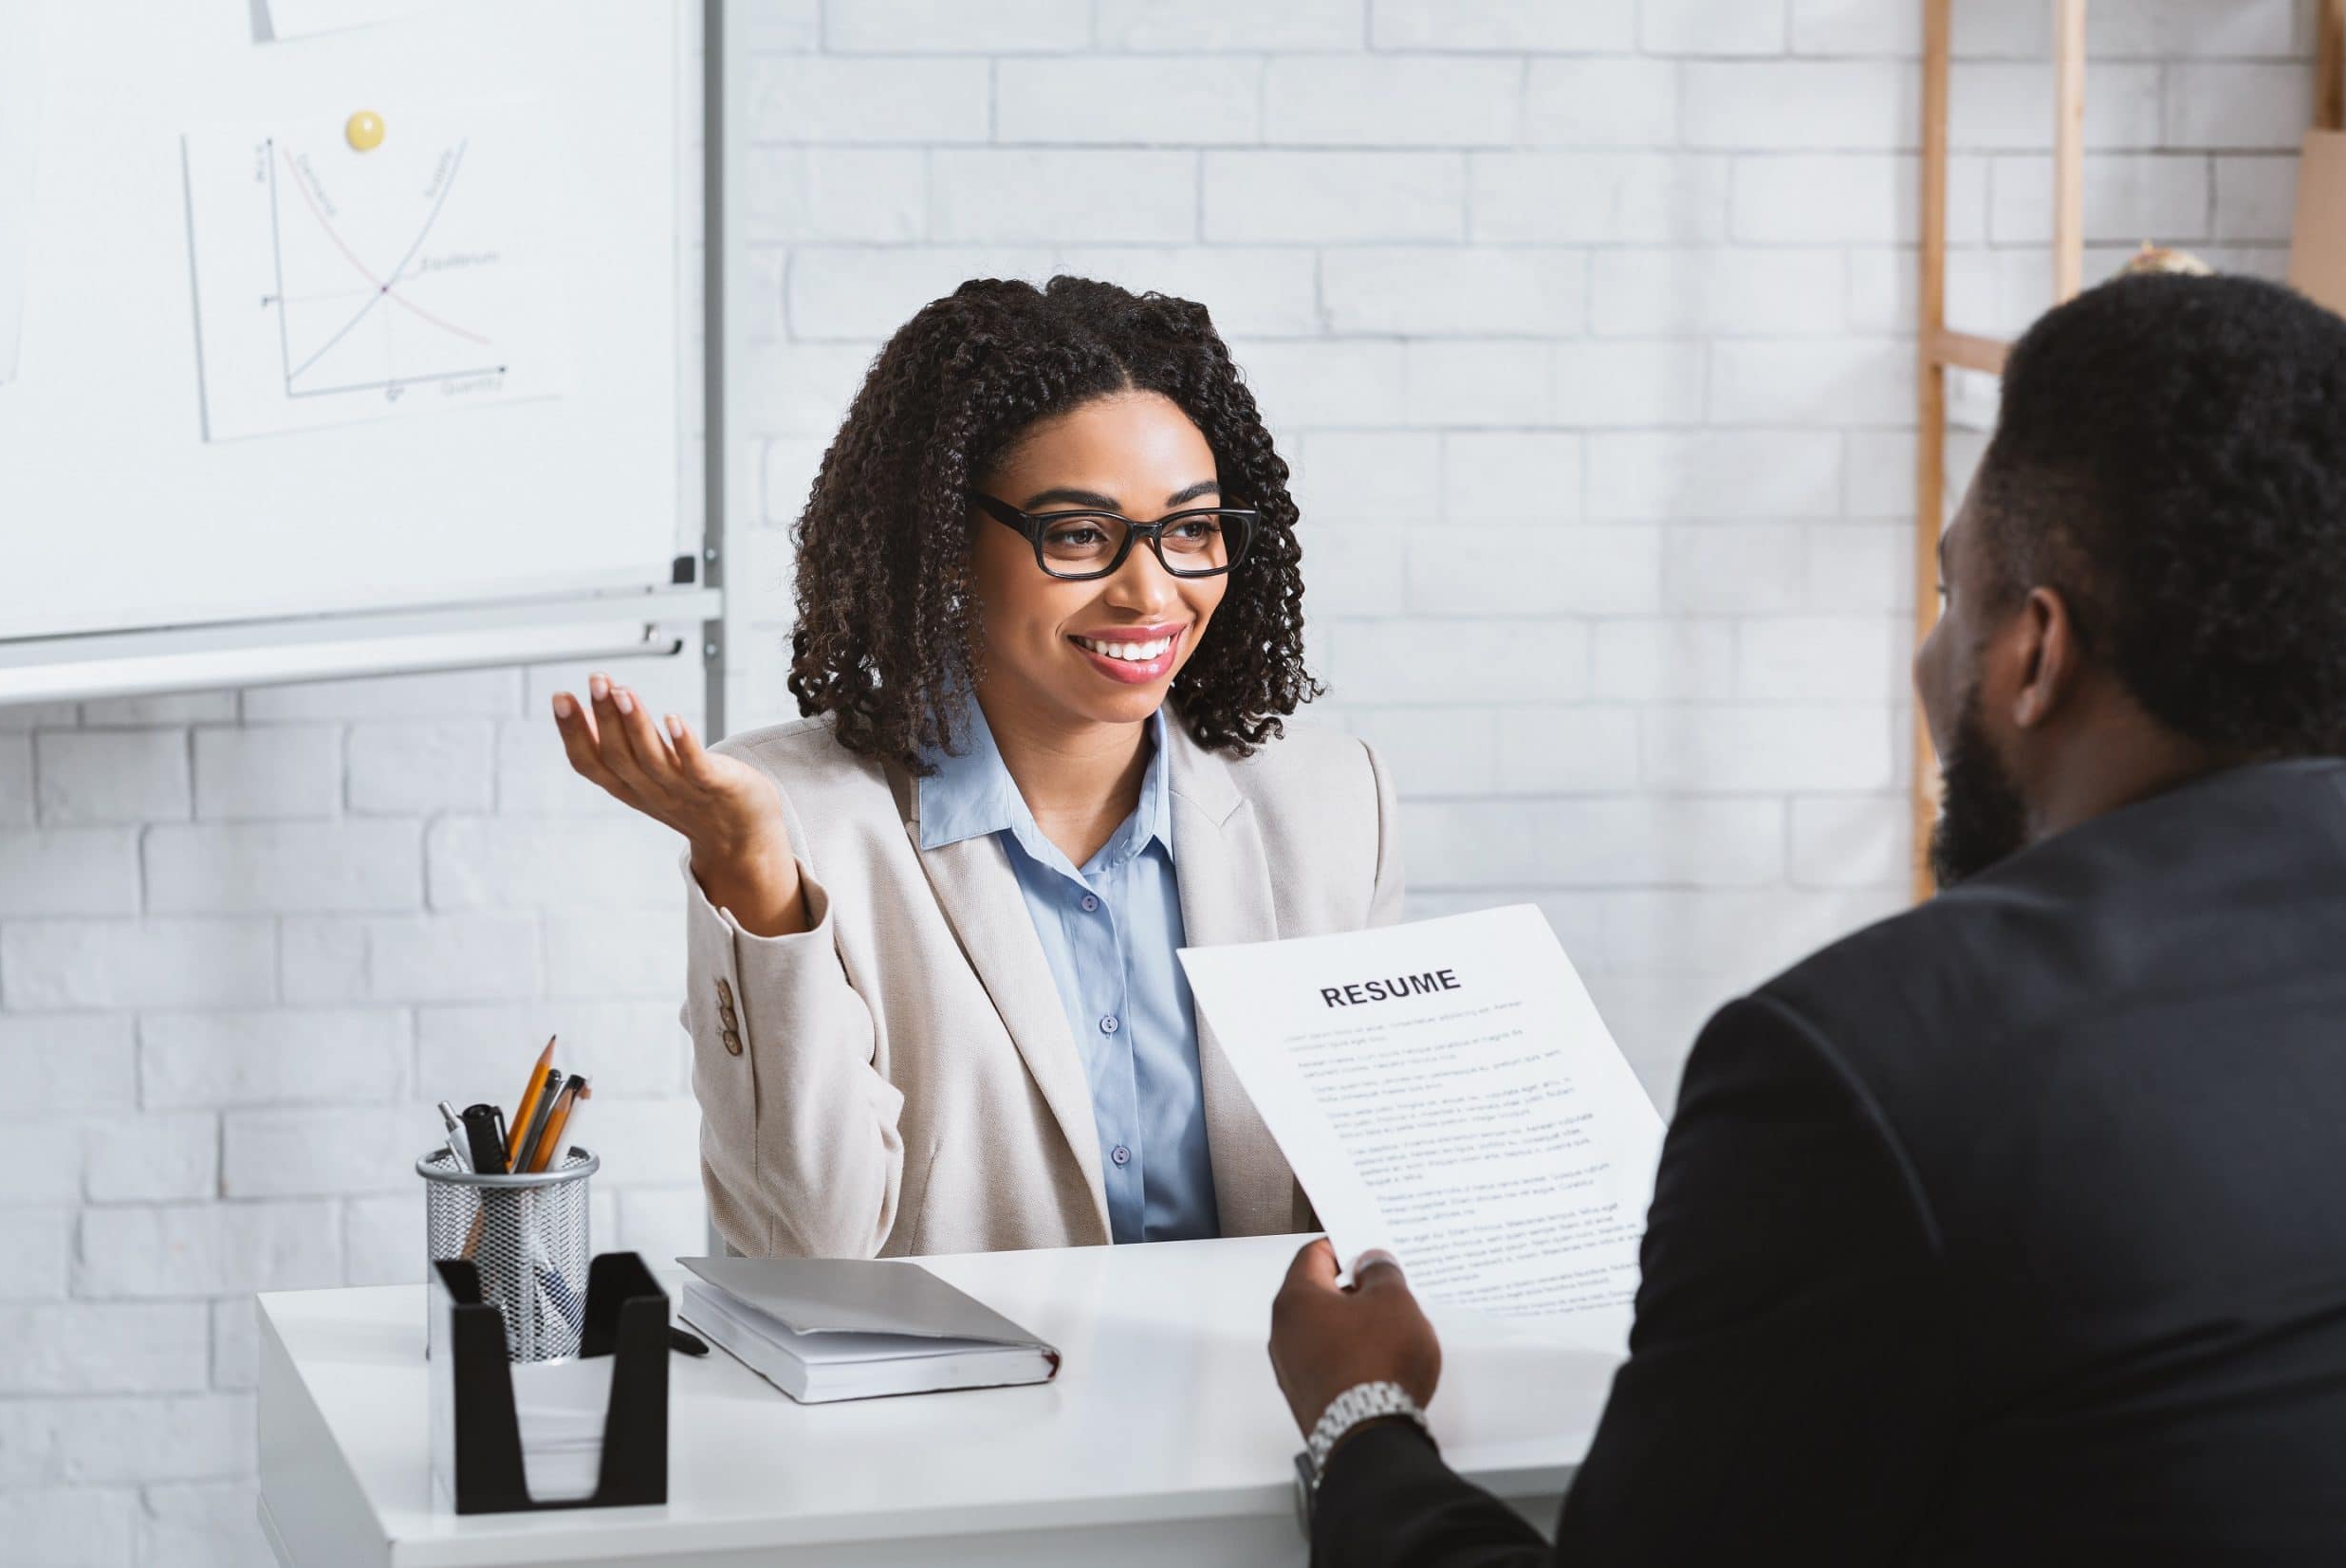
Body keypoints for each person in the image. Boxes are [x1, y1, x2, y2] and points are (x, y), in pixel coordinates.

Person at [1265, 272, 2346, 1564]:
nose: (1929, 661)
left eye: (1952, 601)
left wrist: (1359, 1416)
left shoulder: (1861, 1071)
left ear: (2035, 654)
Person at [552, 277, 1401, 1258]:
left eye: (1191, 530)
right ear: (946, 543)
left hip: (1261, 1359)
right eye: (1078, 534)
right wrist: (751, 875)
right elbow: (809, 1248)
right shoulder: (799, 821)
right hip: (966, 1368)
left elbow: (1382, 1203)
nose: (1150, 591)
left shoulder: (1335, 802)